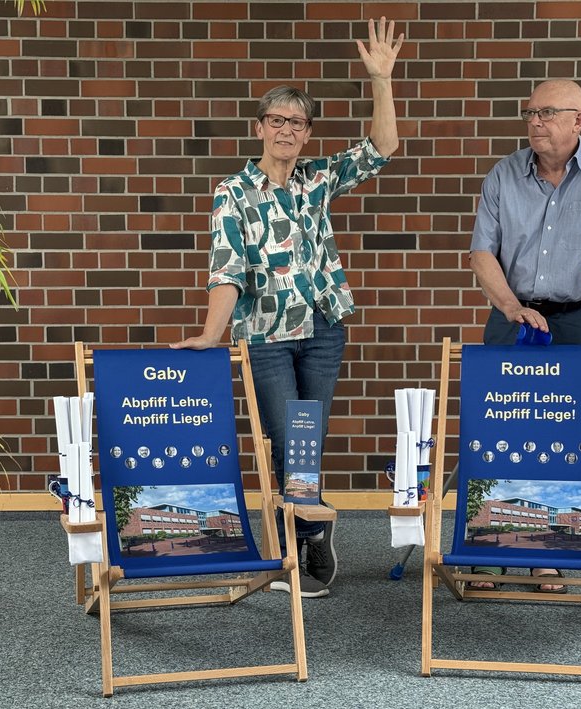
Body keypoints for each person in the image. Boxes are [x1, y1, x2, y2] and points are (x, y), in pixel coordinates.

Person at [172, 18, 404, 598]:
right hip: (267, 336)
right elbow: (226, 270)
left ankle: (307, 534)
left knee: (310, 436)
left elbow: (384, 147)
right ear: (259, 128)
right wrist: (210, 335)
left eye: (297, 123)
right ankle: (297, 534)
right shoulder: (234, 193)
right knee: (283, 437)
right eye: (277, 121)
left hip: (323, 328)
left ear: (305, 134)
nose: (287, 131)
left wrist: (381, 80)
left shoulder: (317, 179)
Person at [468, 79, 581, 591]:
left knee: (561, 430)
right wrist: (512, 306)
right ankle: (482, 551)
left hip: (574, 316)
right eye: (530, 112)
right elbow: (482, 254)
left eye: (546, 112)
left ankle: (549, 554)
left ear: (577, 121)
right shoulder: (503, 174)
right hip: (511, 313)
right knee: (495, 422)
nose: (535, 121)